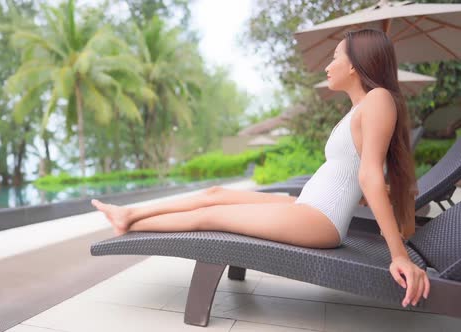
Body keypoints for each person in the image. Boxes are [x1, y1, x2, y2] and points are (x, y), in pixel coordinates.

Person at [91, 28, 430, 309]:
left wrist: (398, 255)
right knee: (215, 194)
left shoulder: (378, 99)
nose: (328, 65)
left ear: (355, 65)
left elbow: (369, 173)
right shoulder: (361, 107)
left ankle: (131, 222)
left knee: (210, 218)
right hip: (308, 207)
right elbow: (356, 176)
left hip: (319, 219)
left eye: (335, 57)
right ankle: (131, 213)